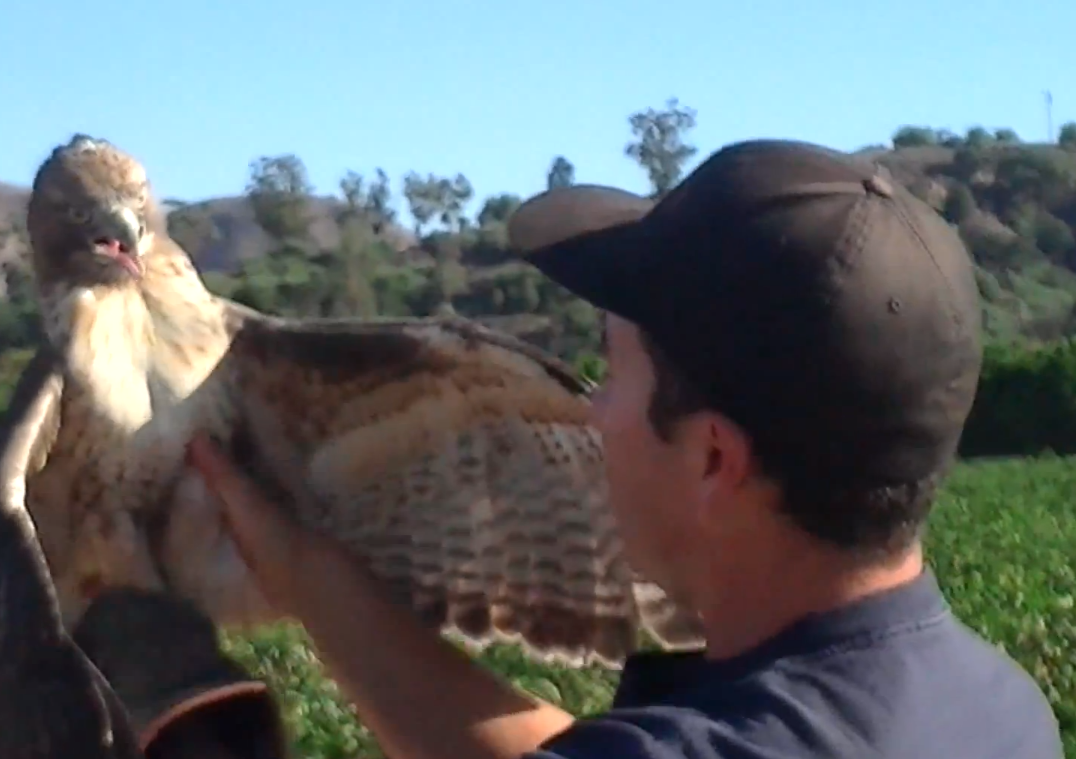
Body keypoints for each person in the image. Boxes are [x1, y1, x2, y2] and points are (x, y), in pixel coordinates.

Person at [178, 139, 1063, 759]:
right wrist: (300, 563)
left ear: (714, 458)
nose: (593, 414)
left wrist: (176, 706)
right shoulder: (996, 704)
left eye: (611, 374)